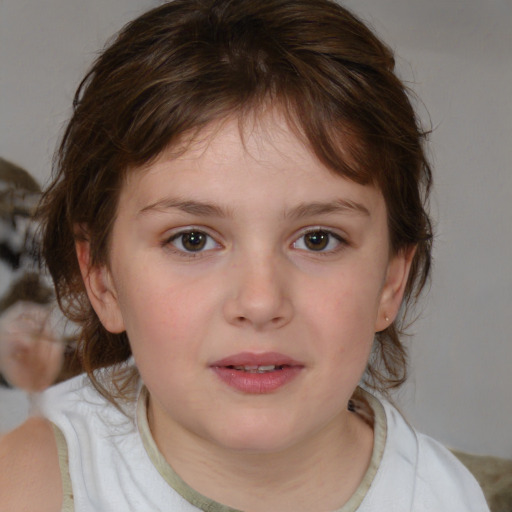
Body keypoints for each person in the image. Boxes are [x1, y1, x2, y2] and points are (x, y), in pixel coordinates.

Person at [0, 0, 490, 510]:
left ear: (391, 282)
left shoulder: (440, 496)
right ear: (102, 281)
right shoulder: (30, 485)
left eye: (318, 239)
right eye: (192, 240)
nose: (259, 302)